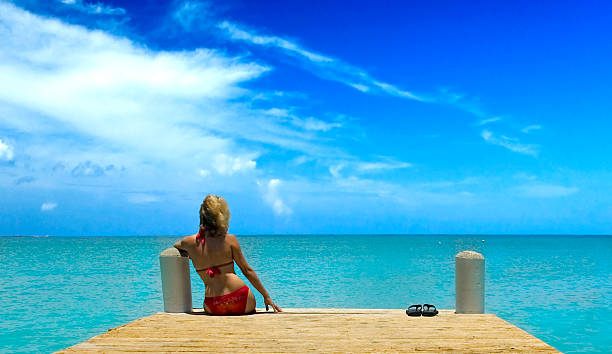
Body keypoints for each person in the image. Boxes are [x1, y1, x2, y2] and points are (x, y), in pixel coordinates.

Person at [174, 194, 281, 315]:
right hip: (241, 298)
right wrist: (266, 296)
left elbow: (176, 246)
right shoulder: (229, 240)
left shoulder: (188, 243)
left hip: (213, 305)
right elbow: (247, 270)